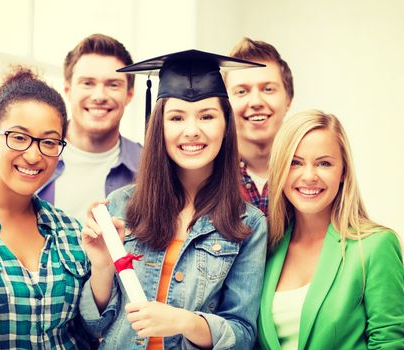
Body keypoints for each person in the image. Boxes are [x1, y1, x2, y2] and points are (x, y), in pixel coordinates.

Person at [79, 50, 268, 349]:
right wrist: (102, 265)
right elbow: (93, 327)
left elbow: (243, 335)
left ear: (225, 125)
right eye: (177, 117)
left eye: (207, 116)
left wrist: (184, 322)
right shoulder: (120, 206)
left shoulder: (249, 224)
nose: (191, 131)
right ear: (160, 126)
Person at [0, 67, 90, 348]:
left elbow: (88, 332)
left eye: (49, 142)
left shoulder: (71, 230)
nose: (34, 155)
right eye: (19, 137)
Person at [258, 110, 404, 349]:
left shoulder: (376, 245)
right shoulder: (266, 247)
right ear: (280, 169)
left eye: (323, 163)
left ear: (343, 171)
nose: (309, 176)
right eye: (295, 162)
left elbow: (390, 342)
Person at [38, 33, 142, 223]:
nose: (99, 96)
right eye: (87, 83)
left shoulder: (150, 166)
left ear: (129, 94)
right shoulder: (28, 157)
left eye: (113, 84)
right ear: (68, 90)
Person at [224, 37, 294, 215]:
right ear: (224, 104)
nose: (256, 102)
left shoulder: (309, 175)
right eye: (242, 91)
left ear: (288, 99)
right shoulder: (207, 176)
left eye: (268, 89)